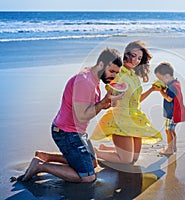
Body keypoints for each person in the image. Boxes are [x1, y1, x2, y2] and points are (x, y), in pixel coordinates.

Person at [20, 48, 123, 183]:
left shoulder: (93, 76)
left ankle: (45, 156)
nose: (114, 76)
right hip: (67, 133)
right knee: (88, 177)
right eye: (112, 71)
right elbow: (81, 116)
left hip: (77, 131)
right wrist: (103, 102)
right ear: (101, 65)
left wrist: (105, 104)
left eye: (116, 73)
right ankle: (40, 166)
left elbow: (88, 107)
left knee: (92, 163)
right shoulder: (85, 81)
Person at [91, 40, 162, 164]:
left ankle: (106, 149)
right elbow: (111, 96)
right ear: (125, 53)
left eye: (139, 58)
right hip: (121, 119)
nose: (136, 61)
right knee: (125, 160)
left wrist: (152, 89)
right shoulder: (118, 73)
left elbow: (137, 101)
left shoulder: (134, 76)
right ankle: (95, 152)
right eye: (133, 56)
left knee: (134, 158)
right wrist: (114, 97)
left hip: (135, 118)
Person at [154, 62, 185, 155]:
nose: (160, 81)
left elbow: (169, 98)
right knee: (172, 130)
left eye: (161, 79)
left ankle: (169, 149)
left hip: (172, 113)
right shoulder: (175, 83)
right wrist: (164, 89)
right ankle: (173, 147)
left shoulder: (172, 86)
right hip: (176, 112)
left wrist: (161, 91)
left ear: (167, 76)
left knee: (168, 130)